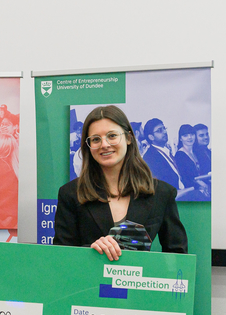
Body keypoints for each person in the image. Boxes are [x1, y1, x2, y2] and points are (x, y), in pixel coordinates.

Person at [53, 106, 187, 261]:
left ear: (129, 138)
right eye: (96, 139)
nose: (104, 144)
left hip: (139, 282)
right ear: (88, 146)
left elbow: (178, 256)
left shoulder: (162, 193)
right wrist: (91, 250)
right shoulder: (70, 193)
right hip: (89, 284)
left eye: (112, 136)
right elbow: (61, 257)